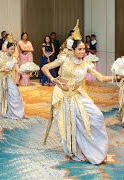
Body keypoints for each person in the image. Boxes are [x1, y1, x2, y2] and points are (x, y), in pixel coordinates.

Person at [42, 20, 114, 165]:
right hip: (64, 96)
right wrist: (54, 80)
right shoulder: (64, 59)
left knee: (97, 116)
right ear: (73, 50)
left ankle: (95, 148)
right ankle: (73, 150)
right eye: (80, 49)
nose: (83, 52)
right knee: (71, 124)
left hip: (78, 95)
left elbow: (102, 78)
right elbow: (45, 68)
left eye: (84, 49)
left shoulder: (86, 63)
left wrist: (118, 76)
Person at [0, 41, 26, 120]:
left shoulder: (14, 58)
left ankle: (17, 113)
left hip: (8, 77)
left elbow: (18, 70)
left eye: (14, 49)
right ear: (6, 49)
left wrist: (25, 70)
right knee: (1, 96)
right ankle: (5, 112)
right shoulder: (0, 54)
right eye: (11, 49)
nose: (12, 51)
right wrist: (0, 69)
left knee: (15, 93)